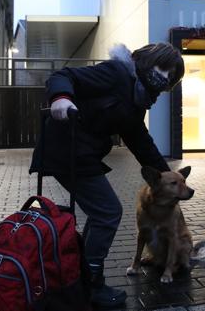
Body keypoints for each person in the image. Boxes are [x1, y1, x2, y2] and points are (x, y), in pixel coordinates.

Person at [30, 42, 184, 307]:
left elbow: (140, 141)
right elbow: (63, 76)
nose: (166, 79)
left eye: (172, 77)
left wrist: (167, 176)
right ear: (149, 62)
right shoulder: (116, 74)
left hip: (82, 154)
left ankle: (84, 278)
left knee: (102, 212)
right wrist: (61, 97)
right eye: (165, 70)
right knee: (108, 211)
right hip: (66, 149)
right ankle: (90, 284)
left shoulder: (137, 99)